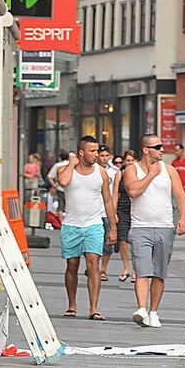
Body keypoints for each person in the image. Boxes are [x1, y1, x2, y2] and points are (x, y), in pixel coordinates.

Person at [125, 134, 185, 328]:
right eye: (158, 147)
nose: (162, 150)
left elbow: (180, 195)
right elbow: (133, 191)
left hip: (164, 226)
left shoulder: (169, 171)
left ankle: (154, 311)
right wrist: (151, 175)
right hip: (140, 227)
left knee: (159, 272)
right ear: (146, 150)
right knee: (142, 270)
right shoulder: (131, 169)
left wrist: (183, 218)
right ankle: (142, 309)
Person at [56, 136, 116, 321]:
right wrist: (72, 163)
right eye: (92, 151)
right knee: (72, 265)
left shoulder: (101, 173)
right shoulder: (65, 170)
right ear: (81, 153)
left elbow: (107, 200)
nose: (96, 154)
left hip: (94, 224)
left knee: (93, 265)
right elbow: (63, 182)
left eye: (97, 151)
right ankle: (72, 305)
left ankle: (93, 308)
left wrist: (113, 228)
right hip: (71, 225)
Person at [111, 150, 137, 282]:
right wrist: (113, 212)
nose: (130, 163)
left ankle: (136, 270)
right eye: (128, 160)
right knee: (122, 239)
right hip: (122, 208)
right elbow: (115, 194)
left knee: (136, 242)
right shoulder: (119, 174)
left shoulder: (140, 174)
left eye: (133, 160)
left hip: (137, 209)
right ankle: (126, 267)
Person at [96, 145, 120, 282]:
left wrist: (114, 212)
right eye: (102, 155)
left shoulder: (115, 172)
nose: (104, 158)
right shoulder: (92, 170)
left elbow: (115, 193)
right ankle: (94, 266)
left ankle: (103, 269)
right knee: (95, 242)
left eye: (106, 155)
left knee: (108, 242)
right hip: (94, 211)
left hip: (107, 211)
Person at [47, 151, 70, 219]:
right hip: (70, 188)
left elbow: (50, 176)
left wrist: (54, 185)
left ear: (60, 158)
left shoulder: (57, 165)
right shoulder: (71, 165)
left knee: (61, 206)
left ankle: (61, 222)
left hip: (60, 188)